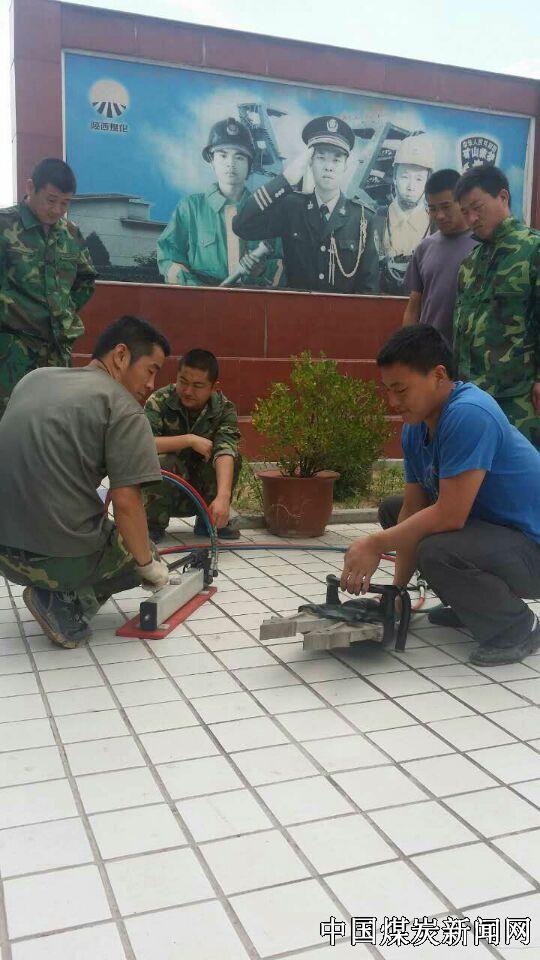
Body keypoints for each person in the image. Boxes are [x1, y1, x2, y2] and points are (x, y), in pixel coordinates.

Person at [340, 326, 540, 666]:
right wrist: (397, 594)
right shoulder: (416, 427)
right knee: (394, 513)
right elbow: (412, 509)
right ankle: (472, 604)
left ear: (438, 375)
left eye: (401, 390)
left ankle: (516, 627)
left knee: (436, 549)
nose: (393, 402)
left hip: (532, 547)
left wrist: (374, 544)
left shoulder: (470, 413)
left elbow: (449, 515)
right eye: (388, 390)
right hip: (502, 536)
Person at [0, 316, 171, 649]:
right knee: (141, 550)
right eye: (151, 370)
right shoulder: (123, 407)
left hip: (3, 551)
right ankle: (65, 604)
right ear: (121, 355)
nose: (152, 384)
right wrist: (149, 567)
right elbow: (126, 503)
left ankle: (57, 586)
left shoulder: (35, 379)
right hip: (51, 559)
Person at [232, 115, 379, 294]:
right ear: (310, 162)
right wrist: (285, 180)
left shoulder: (363, 218)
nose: (329, 167)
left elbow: (369, 290)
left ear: (345, 166)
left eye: (336, 160)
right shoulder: (292, 208)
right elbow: (242, 226)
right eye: (321, 158)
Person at [0, 157, 96, 417]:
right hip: (11, 349)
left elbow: (86, 279)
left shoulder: (71, 234)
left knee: (52, 421)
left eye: (65, 203)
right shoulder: (5, 225)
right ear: (31, 188)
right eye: (51, 200)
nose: (57, 210)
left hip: (56, 350)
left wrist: (63, 310)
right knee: (8, 420)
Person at [453, 164, 540, 447]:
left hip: (519, 399)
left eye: (477, 207)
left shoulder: (533, 249)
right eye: (465, 212)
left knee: (524, 471)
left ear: (503, 197)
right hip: (473, 398)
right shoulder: (470, 263)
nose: (472, 219)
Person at [157, 117, 283, 288]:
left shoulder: (266, 211)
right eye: (223, 155)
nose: (230, 163)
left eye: (239, 157)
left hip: (254, 301)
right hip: (201, 301)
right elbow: (168, 258)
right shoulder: (191, 208)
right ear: (212, 162)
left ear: (249, 165)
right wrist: (199, 292)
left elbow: (284, 267)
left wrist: (262, 271)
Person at [144, 349, 242, 541]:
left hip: (200, 489)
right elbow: (143, 444)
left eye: (197, 386)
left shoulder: (224, 409)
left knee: (231, 458)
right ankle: (152, 524)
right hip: (165, 492)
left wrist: (223, 497)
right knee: (161, 461)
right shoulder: (159, 401)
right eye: (183, 382)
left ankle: (210, 520)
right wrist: (189, 440)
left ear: (214, 387)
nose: (188, 391)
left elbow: (226, 449)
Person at [402, 169, 477, 345]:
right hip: (429, 351)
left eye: (446, 207)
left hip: (470, 352)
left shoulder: (483, 245)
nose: (439, 215)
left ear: (462, 202)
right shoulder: (424, 248)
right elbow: (413, 307)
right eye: (433, 209)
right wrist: (406, 348)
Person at [375, 133, 434, 295]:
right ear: (394, 177)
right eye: (405, 176)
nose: (410, 186)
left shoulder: (438, 226)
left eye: (419, 179)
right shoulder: (374, 219)